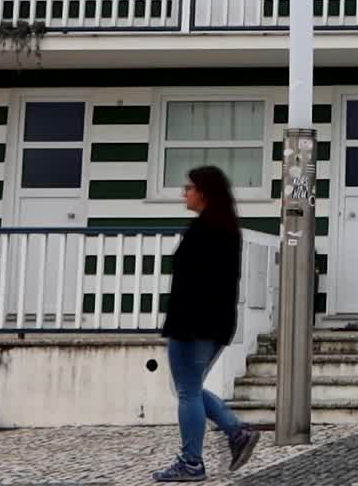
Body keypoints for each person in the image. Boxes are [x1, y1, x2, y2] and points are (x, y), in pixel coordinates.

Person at [153, 165, 259, 482]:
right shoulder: (225, 229)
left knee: (187, 391)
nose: (184, 192)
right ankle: (236, 433)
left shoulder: (205, 232)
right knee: (191, 388)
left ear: (204, 192)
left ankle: (192, 462)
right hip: (214, 324)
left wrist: (179, 326)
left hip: (193, 325)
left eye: (189, 187)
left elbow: (195, 285)